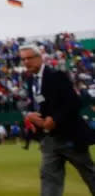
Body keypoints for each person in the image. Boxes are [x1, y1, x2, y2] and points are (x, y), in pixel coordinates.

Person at [21, 44, 95, 195]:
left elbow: (74, 102)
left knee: (89, 174)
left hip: (70, 136)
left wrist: (55, 119)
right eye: (23, 59)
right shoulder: (31, 80)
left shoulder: (56, 75)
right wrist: (30, 115)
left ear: (39, 58)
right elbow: (36, 104)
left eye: (29, 58)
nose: (26, 62)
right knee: (48, 179)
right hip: (49, 139)